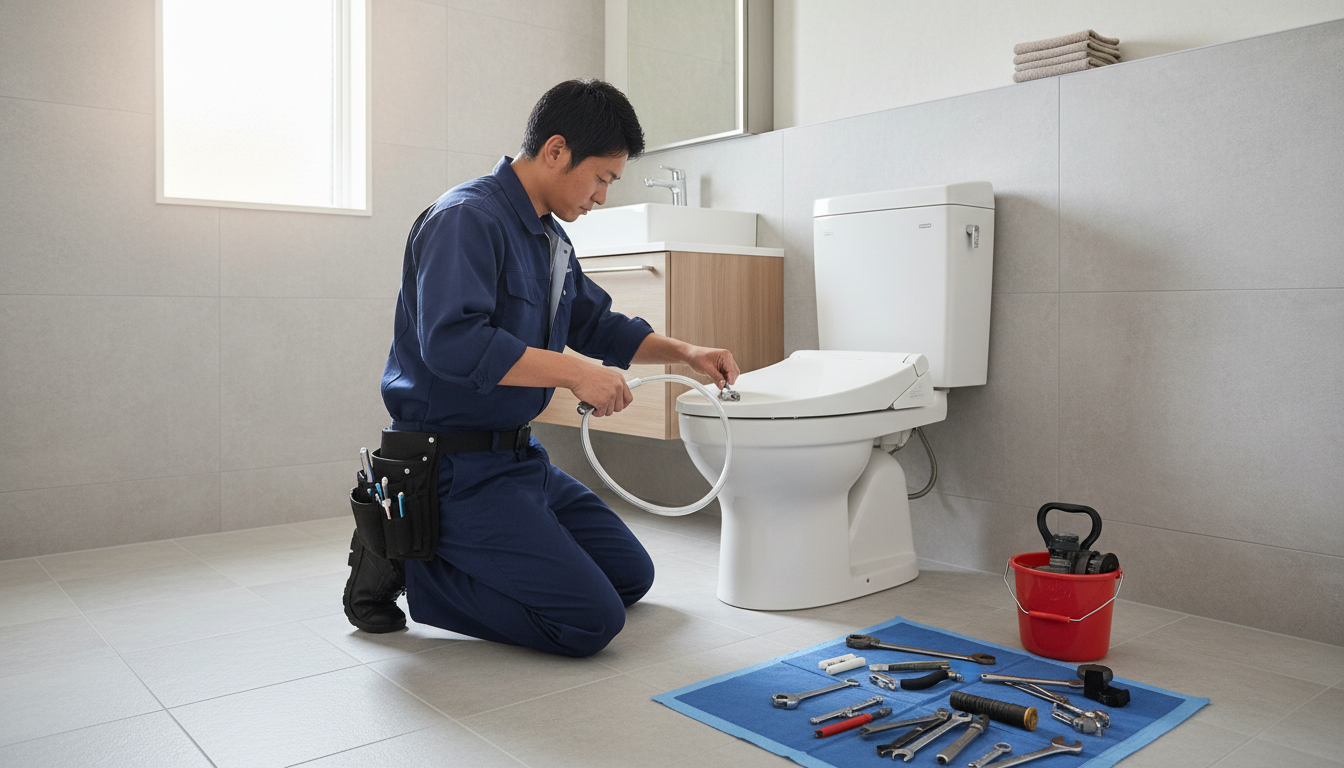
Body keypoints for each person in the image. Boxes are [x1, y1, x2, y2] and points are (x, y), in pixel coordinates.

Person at [342, 78, 740, 657]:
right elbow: (452, 344)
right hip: (451, 470)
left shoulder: (551, 240)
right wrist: (575, 373)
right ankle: (410, 562)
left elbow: (596, 323)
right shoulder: (466, 218)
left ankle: (451, 547)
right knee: (589, 624)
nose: (603, 196)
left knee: (631, 577)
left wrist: (686, 353)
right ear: (555, 151)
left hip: (520, 463)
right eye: (601, 177)